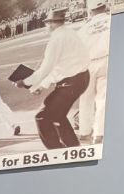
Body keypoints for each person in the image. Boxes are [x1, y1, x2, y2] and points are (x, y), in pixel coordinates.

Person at [21, 8, 90, 149]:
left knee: (42, 116)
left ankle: (56, 151)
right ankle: (73, 148)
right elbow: (60, 66)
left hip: (70, 82)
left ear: (52, 23)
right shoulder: (70, 33)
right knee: (58, 115)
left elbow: (46, 68)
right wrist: (42, 85)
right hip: (81, 77)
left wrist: (25, 82)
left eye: (47, 23)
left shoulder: (56, 39)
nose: (46, 26)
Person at [78, 0, 110, 144]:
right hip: (107, 59)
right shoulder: (112, 20)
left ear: (90, 11)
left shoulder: (84, 28)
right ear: (105, 6)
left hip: (88, 63)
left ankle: (85, 132)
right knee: (102, 98)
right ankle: (99, 133)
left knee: (86, 98)